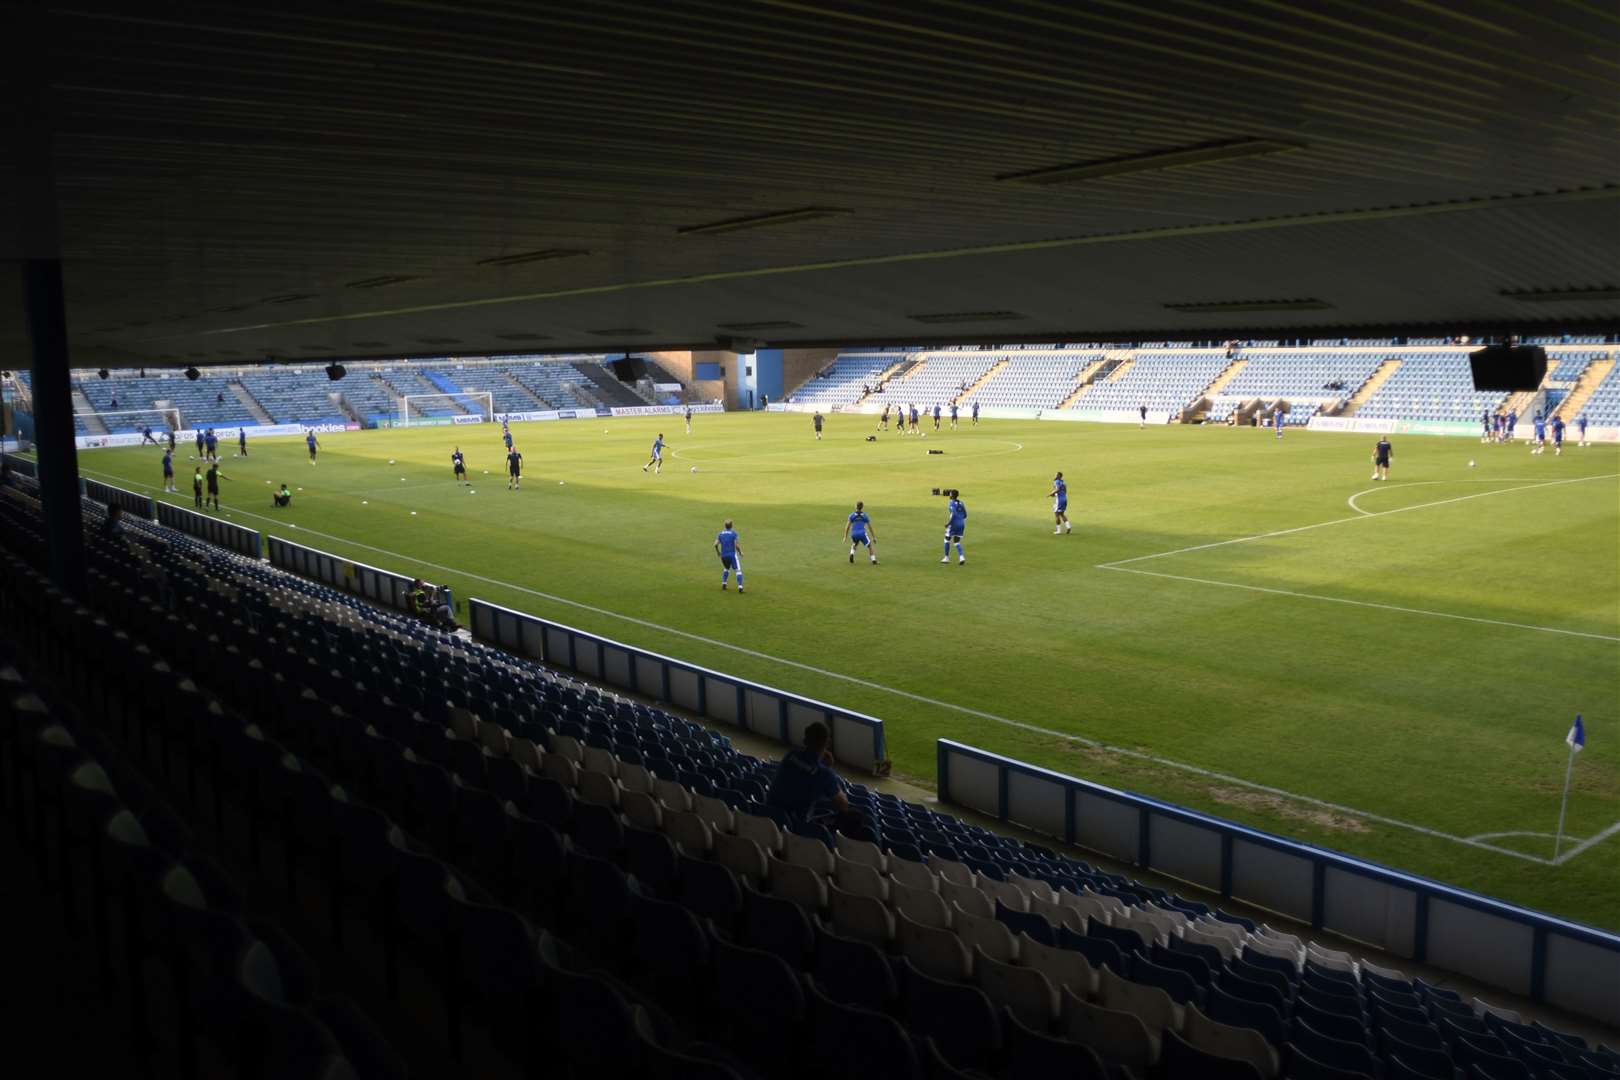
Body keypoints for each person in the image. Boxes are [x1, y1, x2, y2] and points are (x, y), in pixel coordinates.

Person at [764, 722, 857, 832]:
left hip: (768, 817)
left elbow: (800, 774)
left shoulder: (791, 755)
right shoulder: (824, 774)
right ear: (827, 743)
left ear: (805, 740)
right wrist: (828, 769)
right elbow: (843, 805)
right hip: (795, 827)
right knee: (854, 817)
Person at [715, 519, 743, 592]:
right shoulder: (734, 533)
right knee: (738, 571)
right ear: (731, 525)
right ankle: (740, 587)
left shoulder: (720, 534)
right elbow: (737, 546)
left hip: (723, 555)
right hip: (732, 555)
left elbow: (715, 544)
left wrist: (718, 552)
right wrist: (740, 552)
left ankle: (724, 584)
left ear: (725, 526)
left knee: (726, 568)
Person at [942, 492, 967, 565]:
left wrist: (948, 523)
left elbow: (954, 514)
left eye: (950, 494)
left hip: (953, 524)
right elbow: (965, 515)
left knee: (946, 539)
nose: (949, 495)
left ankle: (946, 558)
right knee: (956, 542)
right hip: (961, 524)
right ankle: (961, 557)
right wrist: (960, 519)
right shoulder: (961, 503)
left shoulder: (951, 503)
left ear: (952, 495)